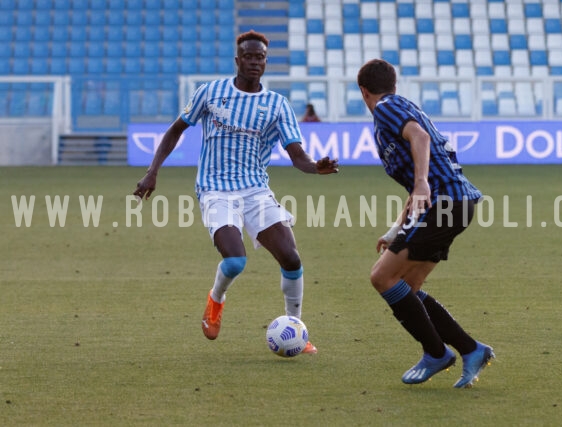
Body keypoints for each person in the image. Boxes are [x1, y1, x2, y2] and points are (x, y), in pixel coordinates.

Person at [133, 30, 339, 354]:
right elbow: (176, 130)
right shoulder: (211, 93)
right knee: (235, 261)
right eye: (249, 56)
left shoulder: (277, 105)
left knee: (292, 258)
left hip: (255, 190)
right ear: (238, 60)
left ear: (265, 62)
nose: (255, 62)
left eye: (260, 57)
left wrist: (315, 167)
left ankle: (296, 328)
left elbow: (297, 155)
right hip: (215, 189)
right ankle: (216, 300)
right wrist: (152, 172)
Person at [357, 58, 494, 387]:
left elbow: (420, 139)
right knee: (408, 287)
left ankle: (436, 352)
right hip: (455, 204)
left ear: (364, 91)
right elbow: (418, 182)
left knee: (382, 277)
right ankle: (471, 349)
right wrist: (395, 230)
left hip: (445, 203)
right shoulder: (399, 108)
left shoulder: (387, 107)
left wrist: (421, 184)